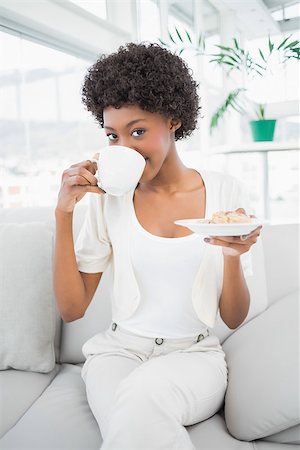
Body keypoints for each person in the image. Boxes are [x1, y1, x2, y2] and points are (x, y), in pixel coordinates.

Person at [53, 42, 262, 450]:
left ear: (173, 120)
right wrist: (63, 214)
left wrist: (234, 256)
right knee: (132, 419)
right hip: (117, 354)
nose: (124, 147)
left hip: (194, 358)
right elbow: (72, 309)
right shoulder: (108, 199)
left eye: (138, 131)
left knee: (141, 399)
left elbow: (233, 318)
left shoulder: (224, 191)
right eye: (113, 135)